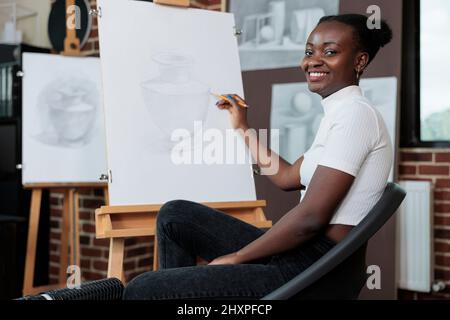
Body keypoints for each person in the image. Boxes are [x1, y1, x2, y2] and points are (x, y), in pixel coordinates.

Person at [123, 14, 394, 300]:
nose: (312, 61)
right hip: (302, 253)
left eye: (330, 52)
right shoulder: (340, 114)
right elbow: (288, 178)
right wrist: (243, 129)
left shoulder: (356, 116)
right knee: (174, 215)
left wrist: (238, 257)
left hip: (318, 268)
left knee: (143, 290)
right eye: (309, 51)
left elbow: (312, 218)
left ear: (360, 61)